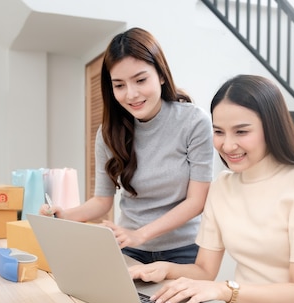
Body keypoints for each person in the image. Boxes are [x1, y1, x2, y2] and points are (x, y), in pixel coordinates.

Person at [130, 74, 294, 303]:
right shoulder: (221, 187)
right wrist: (166, 270)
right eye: (218, 132)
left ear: (271, 127)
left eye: (242, 131)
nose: (227, 145)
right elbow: (204, 270)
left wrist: (225, 290)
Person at [40, 27, 214, 264]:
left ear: (161, 75)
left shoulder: (194, 122)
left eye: (140, 80)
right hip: (129, 249)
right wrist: (65, 215)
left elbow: (197, 201)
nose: (131, 94)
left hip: (183, 250)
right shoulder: (108, 133)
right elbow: (102, 201)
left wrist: (140, 234)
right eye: (119, 85)